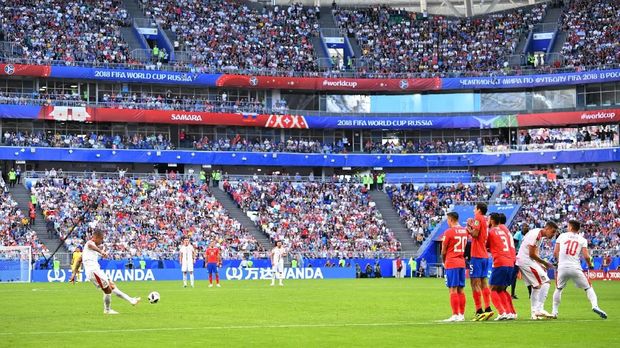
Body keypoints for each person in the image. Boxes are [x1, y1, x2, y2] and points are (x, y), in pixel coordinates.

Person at [69, 230, 140, 314]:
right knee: (108, 290)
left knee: (112, 286)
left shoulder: (87, 250)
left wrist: (73, 274)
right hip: (93, 271)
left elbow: (79, 260)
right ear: (95, 238)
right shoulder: (90, 243)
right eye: (101, 239)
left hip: (96, 271)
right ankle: (107, 310)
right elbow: (91, 245)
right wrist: (101, 251)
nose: (102, 241)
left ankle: (131, 300)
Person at [552, 220, 607, 319]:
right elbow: (586, 256)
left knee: (559, 289)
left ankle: (554, 311)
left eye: (568, 226)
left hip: (562, 267)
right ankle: (595, 306)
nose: (567, 227)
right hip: (575, 267)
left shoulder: (562, 236)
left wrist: (559, 261)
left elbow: (555, 252)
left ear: (571, 227)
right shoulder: (582, 239)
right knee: (588, 287)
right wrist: (590, 265)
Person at [515, 221, 558, 320]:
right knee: (546, 281)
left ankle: (534, 313)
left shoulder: (539, 235)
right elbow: (531, 254)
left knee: (536, 286)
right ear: (547, 228)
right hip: (526, 261)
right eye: (552, 232)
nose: (553, 235)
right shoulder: (536, 235)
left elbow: (535, 251)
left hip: (524, 260)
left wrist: (539, 264)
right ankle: (540, 308)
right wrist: (545, 263)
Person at [487, 213, 517, 320]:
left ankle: (501, 312)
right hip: (510, 261)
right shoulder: (505, 231)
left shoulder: (493, 231)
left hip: (500, 261)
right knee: (502, 290)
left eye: (488, 219)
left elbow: (485, 244)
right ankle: (510, 312)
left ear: (492, 220)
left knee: (492, 289)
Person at [466, 202, 493, 321]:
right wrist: (472, 226)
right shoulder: (485, 220)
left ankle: (479, 310)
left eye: (475, 208)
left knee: (474, 283)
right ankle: (488, 308)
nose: (473, 210)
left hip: (476, 255)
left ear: (479, 210)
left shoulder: (478, 218)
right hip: (484, 255)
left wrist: (468, 229)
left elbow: (475, 234)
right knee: (483, 282)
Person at [441, 212, 468, 322]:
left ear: (451, 219)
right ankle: (461, 314)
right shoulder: (464, 231)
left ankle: (455, 314)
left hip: (451, 262)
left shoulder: (448, 232)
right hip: (461, 262)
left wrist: (444, 261)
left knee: (452, 289)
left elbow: (443, 250)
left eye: (448, 219)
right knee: (461, 289)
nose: (447, 222)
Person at [510, 224, 527, 299]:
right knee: (513, 275)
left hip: (524, 255)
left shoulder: (528, 235)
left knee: (527, 275)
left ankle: (530, 294)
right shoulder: (518, 234)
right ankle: (511, 293)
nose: (525, 229)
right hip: (517, 255)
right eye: (524, 227)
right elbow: (514, 245)